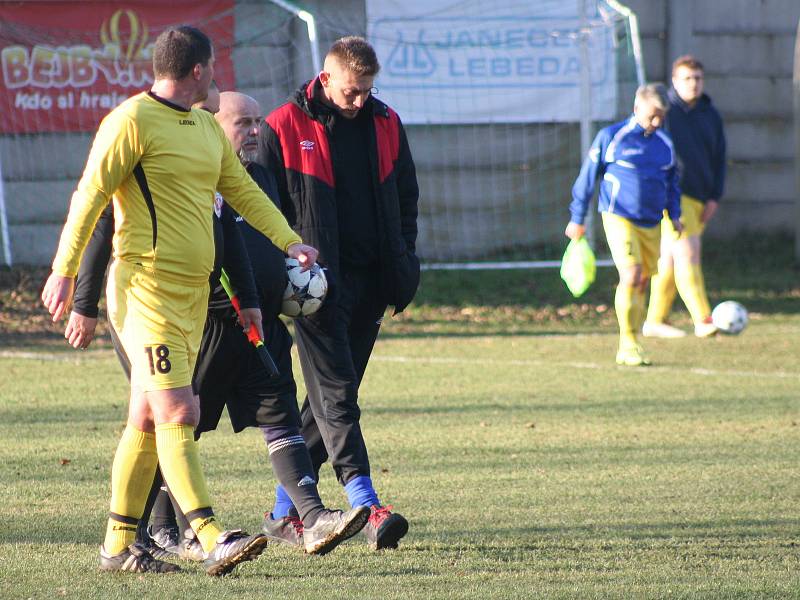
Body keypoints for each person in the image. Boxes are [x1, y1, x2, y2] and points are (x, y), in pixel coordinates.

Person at [41, 26, 319, 576]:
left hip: (194, 296)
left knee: (146, 419)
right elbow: (90, 197)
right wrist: (64, 271)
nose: (216, 76)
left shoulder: (202, 127)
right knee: (180, 410)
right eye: (213, 68)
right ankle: (211, 534)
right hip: (145, 291)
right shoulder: (129, 122)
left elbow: (240, 189)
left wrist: (288, 239)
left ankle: (119, 546)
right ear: (197, 70)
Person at [66, 89, 370, 560]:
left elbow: (234, 237)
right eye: (243, 122)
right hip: (181, 315)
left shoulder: (242, 174)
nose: (254, 131)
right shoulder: (147, 144)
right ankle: (191, 532)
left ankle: (308, 517)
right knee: (181, 418)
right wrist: (78, 296)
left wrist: (265, 282)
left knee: (249, 414)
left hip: (241, 323)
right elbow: (99, 219)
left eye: (256, 122)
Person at [258, 36, 420, 550]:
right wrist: (282, 273)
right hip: (315, 289)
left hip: (372, 284)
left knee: (327, 402)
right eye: (352, 91)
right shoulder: (283, 125)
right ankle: (368, 506)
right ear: (325, 78)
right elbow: (263, 207)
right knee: (338, 397)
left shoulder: (386, 122)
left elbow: (407, 198)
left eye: (367, 91)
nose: (359, 101)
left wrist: (404, 265)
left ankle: (284, 514)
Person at [566, 84, 682, 367]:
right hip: (618, 216)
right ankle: (626, 343)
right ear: (637, 108)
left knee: (642, 280)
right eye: (652, 116)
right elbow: (587, 178)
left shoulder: (664, 144)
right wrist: (577, 217)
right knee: (631, 275)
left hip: (652, 221)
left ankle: (635, 340)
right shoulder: (612, 137)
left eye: (661, 117)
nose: (656, 122)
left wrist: (675, 214)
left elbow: (672, 184)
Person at [643, 55, 727, 339]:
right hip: (673, 198)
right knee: (689, 253)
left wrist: (715, 196)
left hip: (701, 198)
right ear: (675, 82)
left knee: (668, 260)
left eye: (698, 78)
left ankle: (654, 320)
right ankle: (703, 319)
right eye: (687, 79)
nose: (694, 84)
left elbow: (719, 158)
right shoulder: (666, 113)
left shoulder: (710, 114)